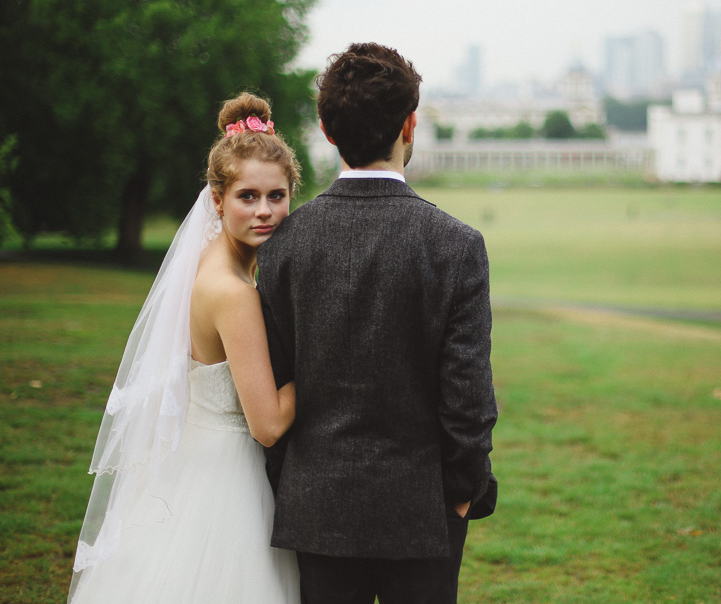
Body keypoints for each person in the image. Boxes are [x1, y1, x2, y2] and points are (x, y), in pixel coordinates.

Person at [257, 43, 498, 604]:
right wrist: (462, 493)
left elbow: (273, 381)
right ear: (410, 124)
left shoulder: (284, 244)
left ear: (326, 129)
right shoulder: (457, 245)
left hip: (315, 506)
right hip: (425, 509)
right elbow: (469, 398)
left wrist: (288, 485)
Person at [68, 93, 302, 604]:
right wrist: (325, 364)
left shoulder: (208, 259)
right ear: (217, 200)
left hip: (192, 459)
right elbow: (266, 424)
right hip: (227, 481)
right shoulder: (233, 292)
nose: (265, 211)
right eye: (247, 197)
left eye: (277, 196)